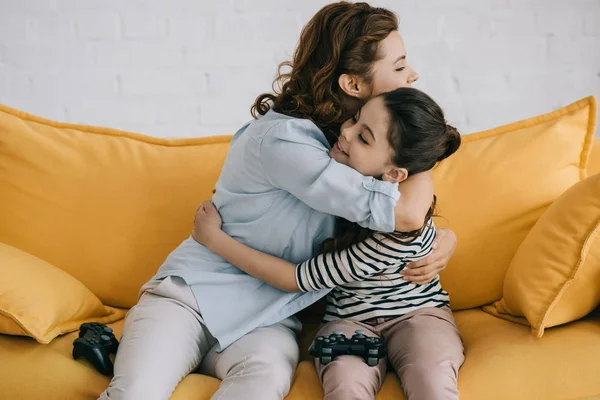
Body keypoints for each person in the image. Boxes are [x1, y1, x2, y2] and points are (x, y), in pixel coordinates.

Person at [99, 3, 458, 400]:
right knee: (135, 392)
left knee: (262, 384)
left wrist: (444, 234)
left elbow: (400, 212)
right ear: (353, 85)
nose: (412, 77)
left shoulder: (351, 149)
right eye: (399, 66)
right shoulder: (287, 141)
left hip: (267, 318)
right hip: (192, 297)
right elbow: (404, 213)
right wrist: (421, 147)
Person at [193, 87, 465, 400]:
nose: (346, 132)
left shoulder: (396, 231)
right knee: (345, 387)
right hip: (348, 322)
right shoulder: (325, 174)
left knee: (431, 378)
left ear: (395, 173)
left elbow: (294, 279)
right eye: (355, 119)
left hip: (418, 314)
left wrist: (214, 239)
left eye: (364, 137)